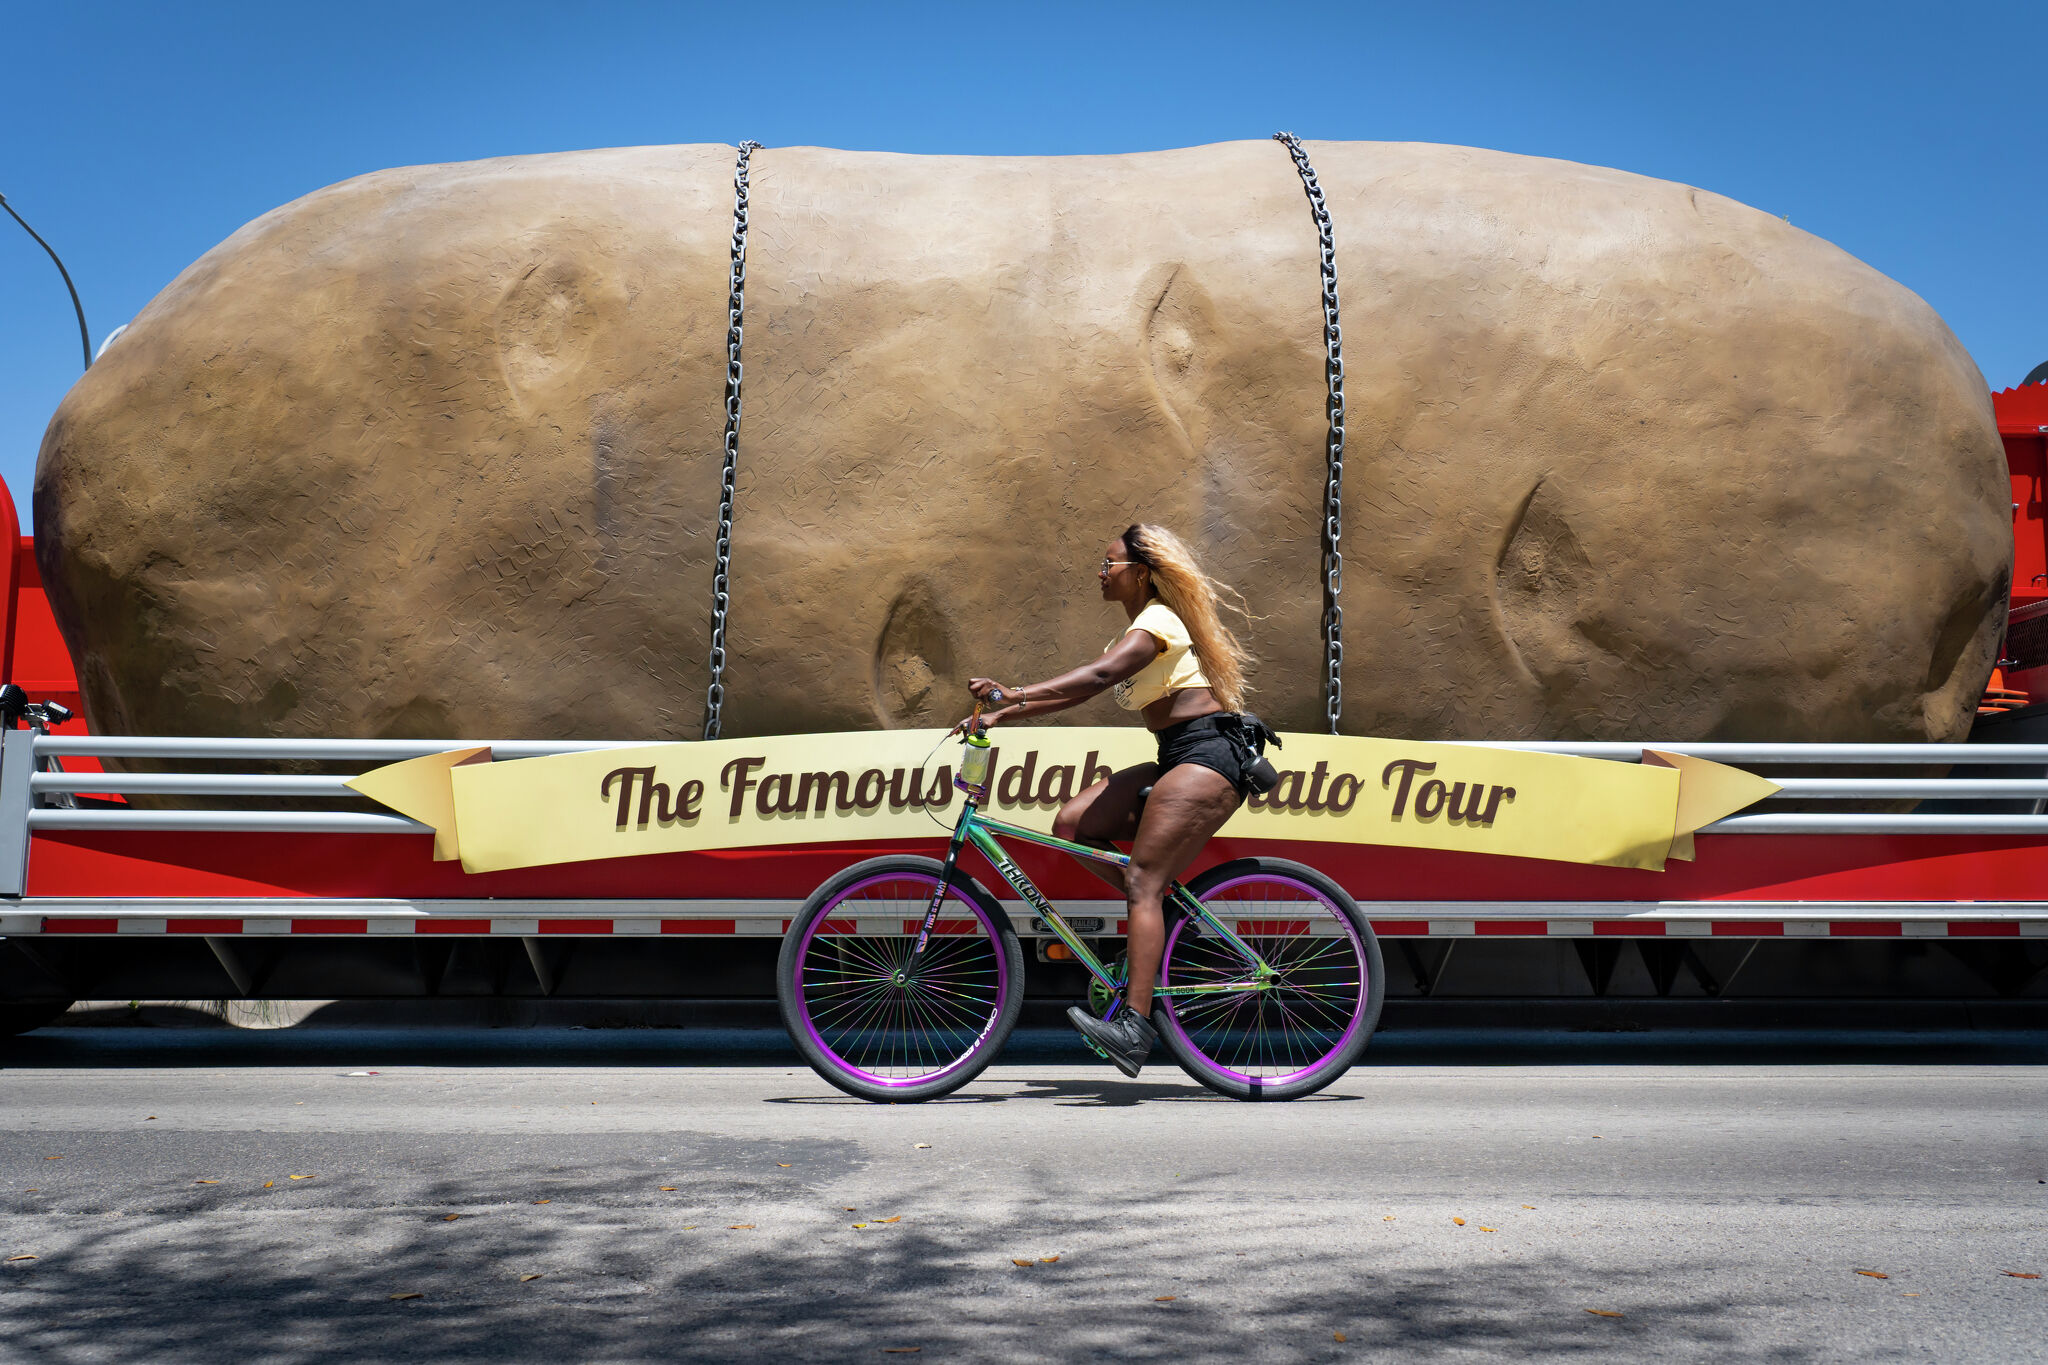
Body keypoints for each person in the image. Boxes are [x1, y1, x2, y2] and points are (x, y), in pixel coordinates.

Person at [957, 523, 1275, 1077]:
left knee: (1141, 883)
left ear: (1142, 573)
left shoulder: (1157, 621)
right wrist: (1003, 712)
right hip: (1179, 754)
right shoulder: (1133, 632)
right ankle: (1168, 917)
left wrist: (1017, 692)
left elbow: (1102, 675)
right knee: (1074, 822)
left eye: (1111, 564)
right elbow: (1083, 687)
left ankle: (1133, 1027)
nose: (1101, 573)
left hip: (1212, 755)